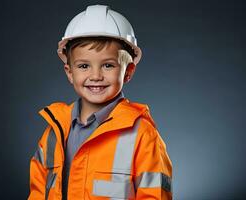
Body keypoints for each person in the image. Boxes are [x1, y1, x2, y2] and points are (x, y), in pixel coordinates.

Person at [28, 5, 172, 200]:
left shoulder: (142, 134)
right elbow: (38, 191)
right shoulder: (54, 133)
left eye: (108, 65)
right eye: (84, 66)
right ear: (69, 72)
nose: (95, 76)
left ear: (128, 71)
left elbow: (155, 195)